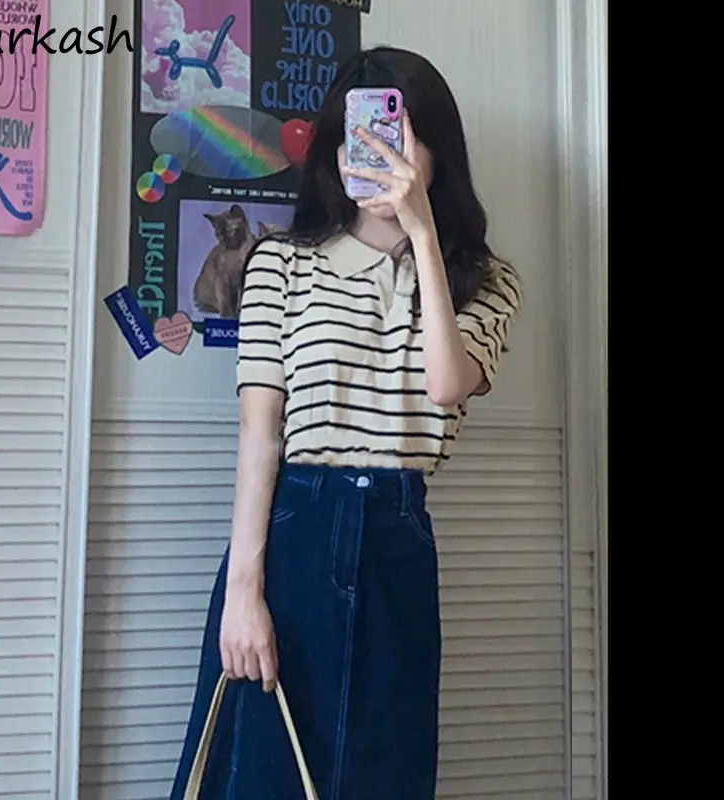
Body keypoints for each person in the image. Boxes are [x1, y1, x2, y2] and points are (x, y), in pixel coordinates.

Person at [169, 46, 521, 799]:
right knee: (262, 774)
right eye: (362, 135)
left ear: (437, 151)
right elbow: (260, 433)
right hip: (292, 532)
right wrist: (242, 593)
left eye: (401, 135)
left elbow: (445, 386)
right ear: (336, 151)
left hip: (397, 535)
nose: (382, 152)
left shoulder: (485, 280)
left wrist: (423, 237)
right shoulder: (280, 264)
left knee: (382, 775)